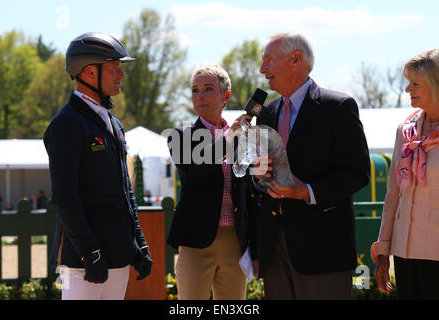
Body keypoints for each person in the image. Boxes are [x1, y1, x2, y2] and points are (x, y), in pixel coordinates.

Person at [250, 32, 370, 299]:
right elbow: (259, 176)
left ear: (295, 59)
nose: (262, 69)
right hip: (274, 247)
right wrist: (257, 172)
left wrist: (307, 191)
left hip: (323, 249)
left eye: (269, 60)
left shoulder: (338, 107)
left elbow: (357, 173)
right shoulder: (267, 112)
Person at [43, 32, 152, 300]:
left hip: (118, 254)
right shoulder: (65, 124)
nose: (121, 75)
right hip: (84, 261)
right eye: (115, 68)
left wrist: (139, 240)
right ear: (90, 72)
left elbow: (125, 190)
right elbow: (65, 197)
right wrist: (89, 251)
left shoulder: (113, 123)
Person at [166, 64, 256, 300]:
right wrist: (229, 139)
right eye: (195, 90)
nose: (200, 96)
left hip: (235, 243)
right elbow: (197, 170)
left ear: (226, 96)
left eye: (208, 89)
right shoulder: (180, 136)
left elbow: (250, 189)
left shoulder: (241, 135)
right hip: (196, 243)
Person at [372, 48, 439, 300]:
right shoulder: (405, 129)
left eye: (415, 83)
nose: (407, 89)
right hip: (404, 253)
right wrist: (383, 252)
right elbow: (393, 195)